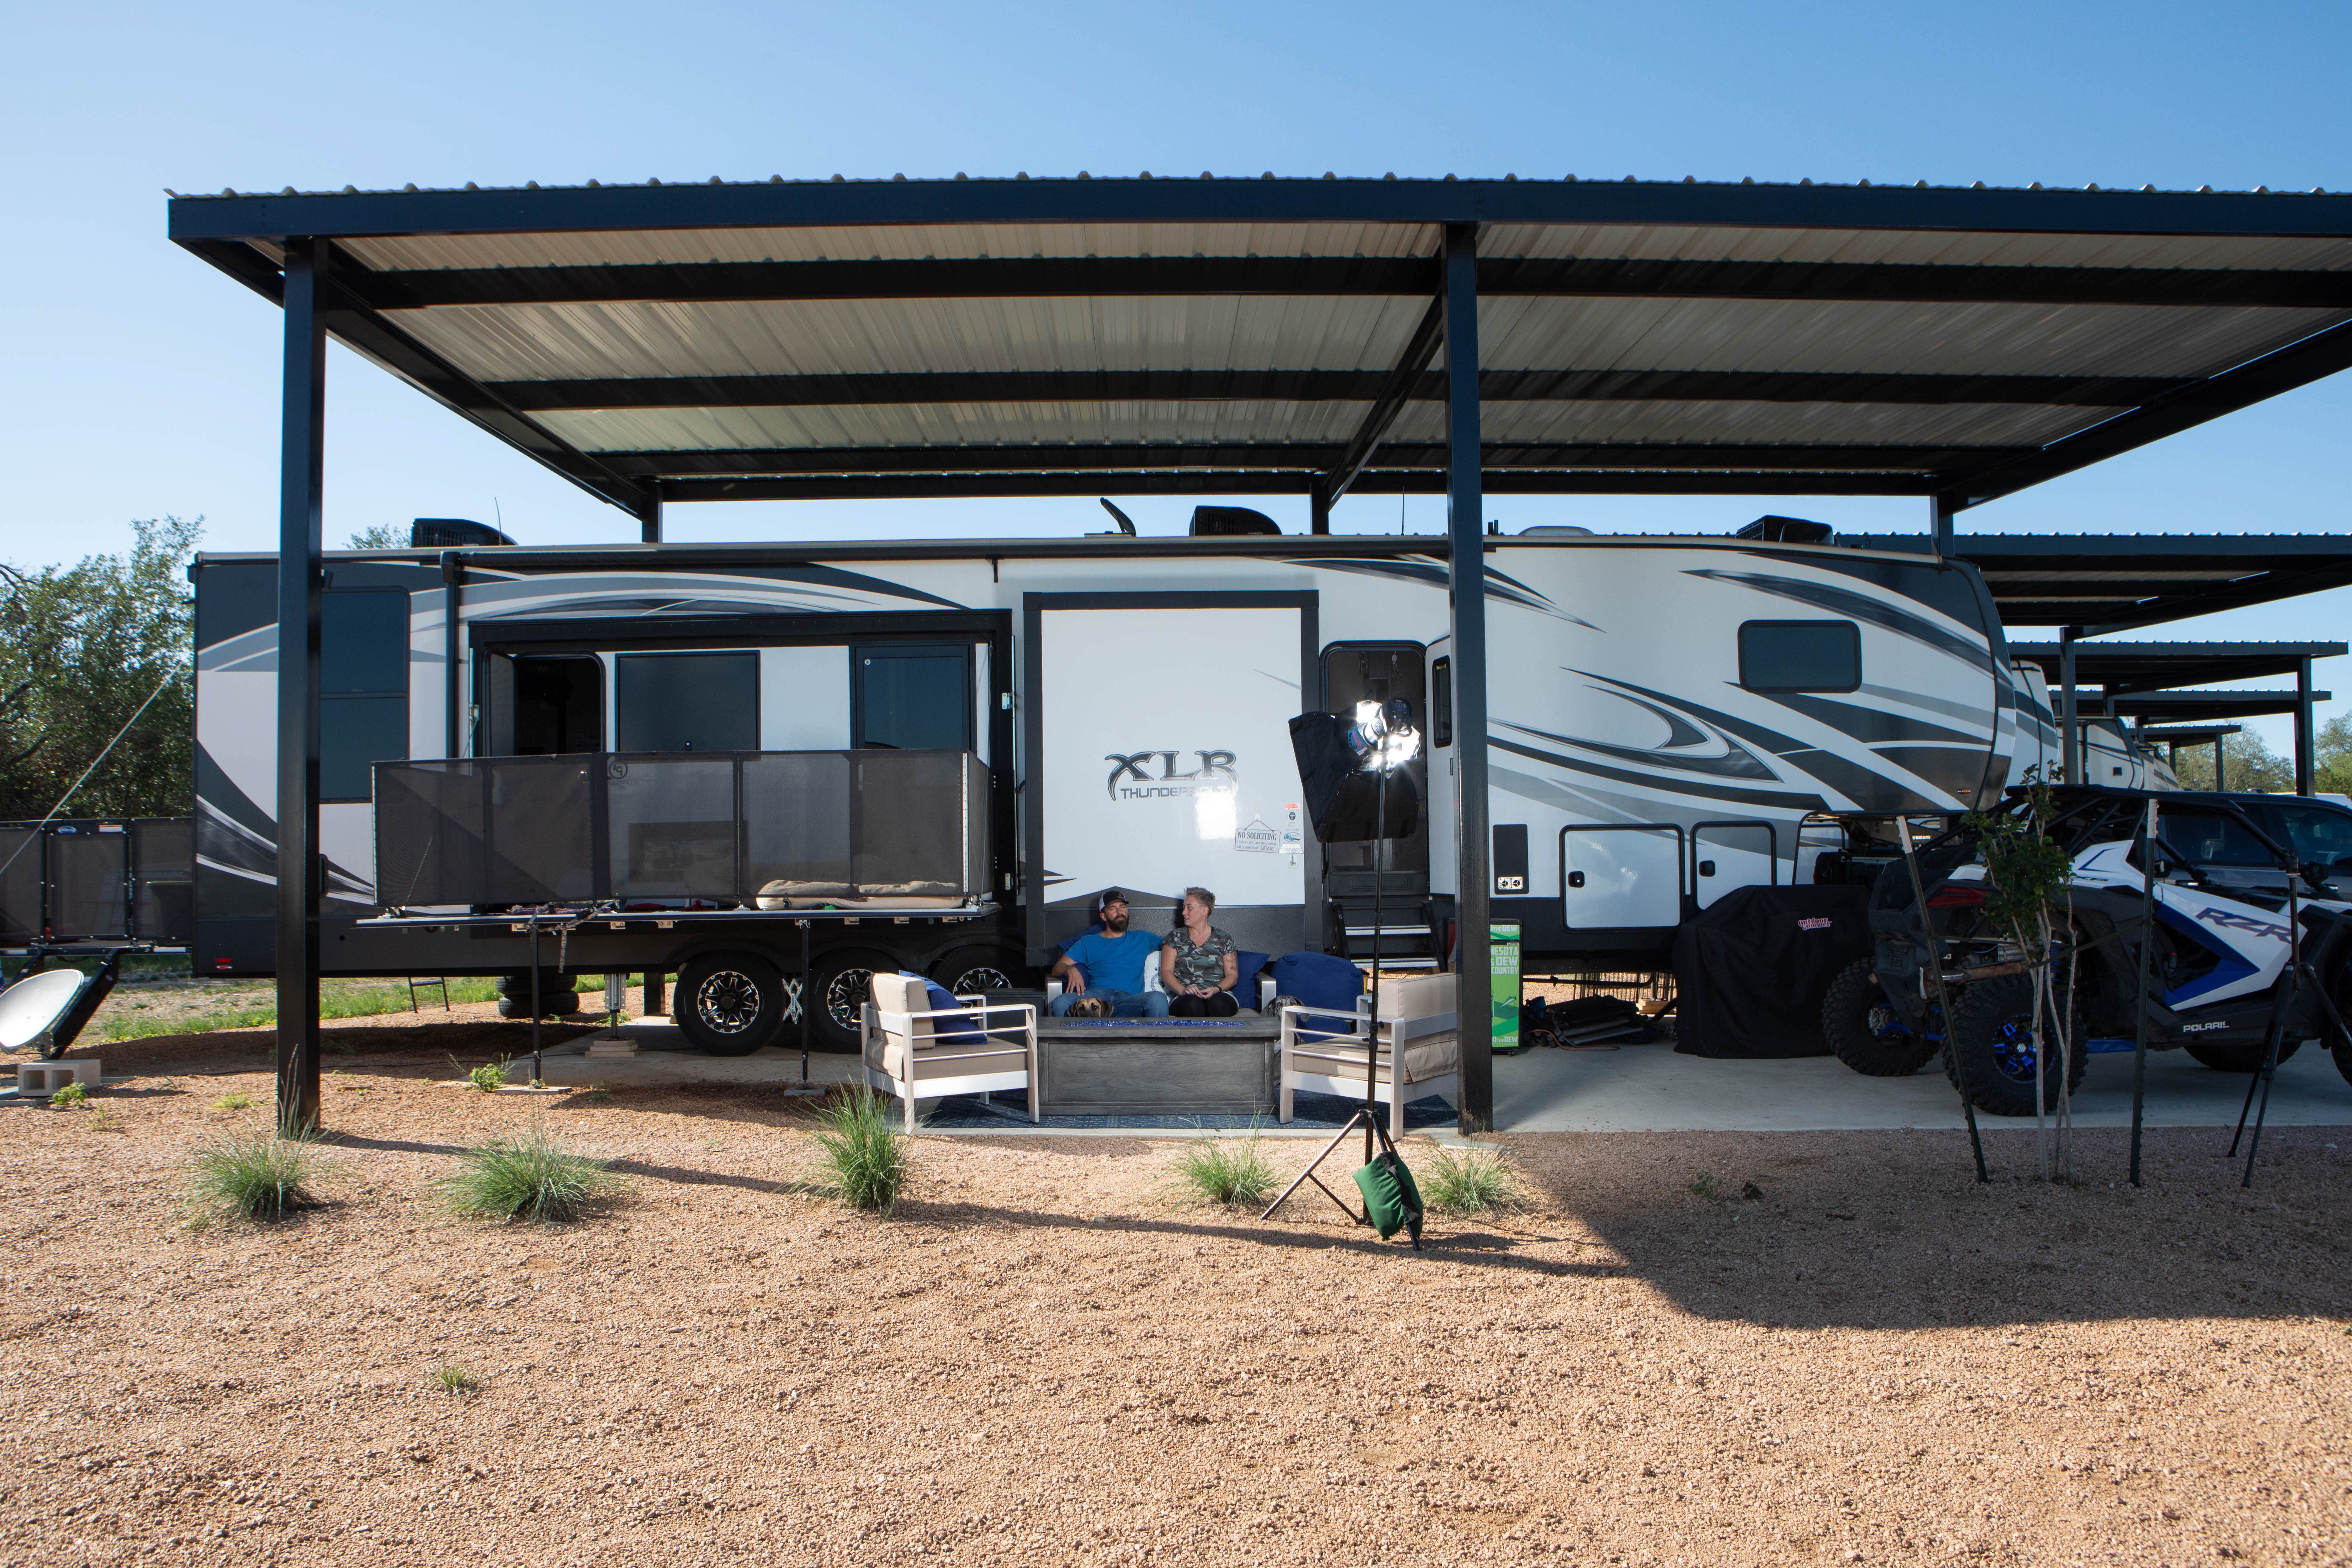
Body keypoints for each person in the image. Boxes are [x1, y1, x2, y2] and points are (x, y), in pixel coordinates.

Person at [1047, 889, 1168, 1018]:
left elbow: (1172, 946)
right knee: (1061, 1002)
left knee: (1158, 1000)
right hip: (1097, 999)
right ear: (1104, 916)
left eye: (1123, 907)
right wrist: (1070, 970)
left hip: (1129, 1001)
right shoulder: (1088, 942)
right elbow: (1057, 969)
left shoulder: (1143, 938)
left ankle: (1156, 1039)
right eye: (1113, 908)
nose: (1119, 911)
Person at [1161, 885, 1240, 1018]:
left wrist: (1216, 989)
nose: (1184, 913)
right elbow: (1166, 972)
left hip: (1219, 993)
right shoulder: (1175, 937)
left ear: (1204, 911)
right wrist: (1183, 990)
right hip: (1185, 995)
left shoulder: (1224, 938)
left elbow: (1232, 975)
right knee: (1193, 1005)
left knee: (1218, 1004)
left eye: (1189, 908)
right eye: (1184, 907)